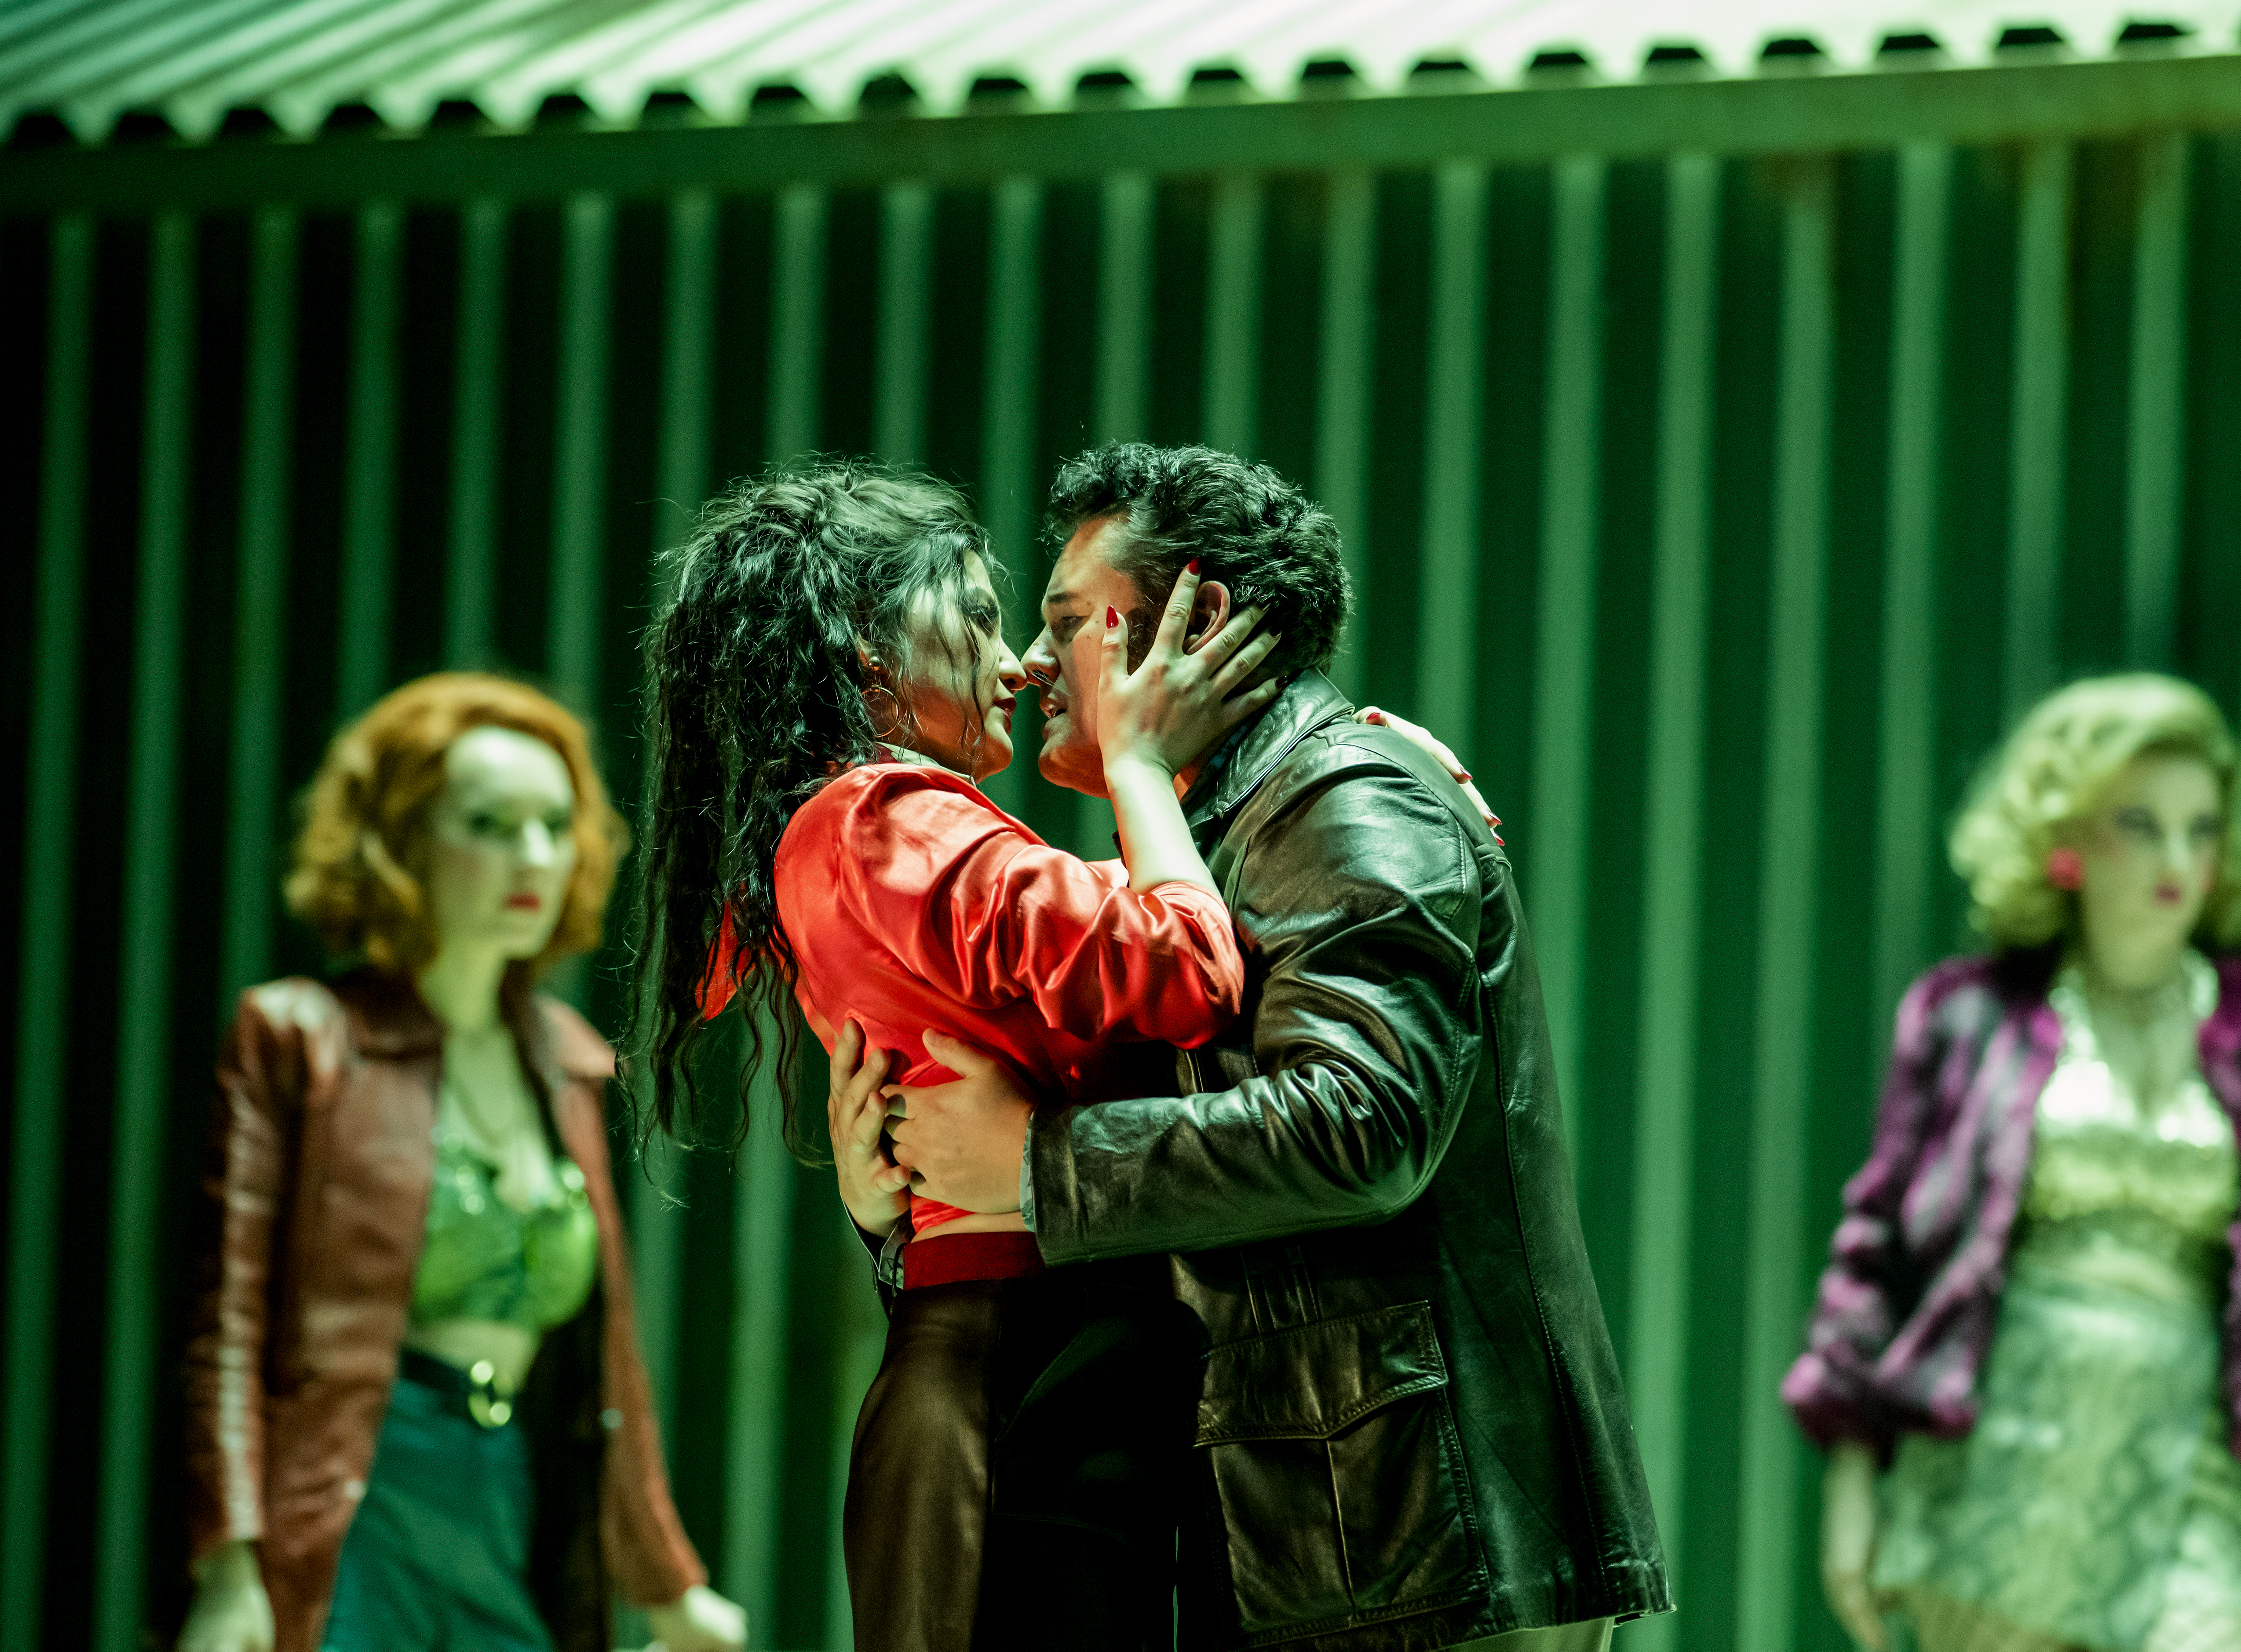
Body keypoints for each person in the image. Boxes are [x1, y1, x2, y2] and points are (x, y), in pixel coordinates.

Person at [864, 442, 1668, 1652]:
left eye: (1069, 622)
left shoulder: (1348, 799)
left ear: (1197, 624)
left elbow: (1361, 1126)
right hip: (1343, 1542)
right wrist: (905, 1189)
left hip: (1427, 1556)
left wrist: (1033, 1162)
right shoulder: (1216, 833)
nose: (1029, 662)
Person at [628, 461, 1284, 1652]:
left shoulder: (873, 833)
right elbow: (1184, 964)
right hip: (1013, 1374)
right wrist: (1140, 767)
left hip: (1021, 1359)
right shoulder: (887, 819)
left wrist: (1325, 770)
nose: (1022, 660)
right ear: (871, 655)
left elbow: (1130, 910)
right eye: (980, 615)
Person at [1783, 673, 2241, 1652]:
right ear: (2064, 835)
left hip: (2194, 1480)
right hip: (1992, 1486)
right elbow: (1876, 1255)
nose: (2178, 859)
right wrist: (1851, 1486)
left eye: (2202, 828)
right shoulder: (1966, 1018)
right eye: (2141, 825)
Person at [176, 674, 742, 1652]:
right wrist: (230, 1568)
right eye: (490, 824)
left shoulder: (567, 1062)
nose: (536, 856)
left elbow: (609, 1363)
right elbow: (225, 1323)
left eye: (555, 825)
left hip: (511, 1490)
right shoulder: (302, 1040)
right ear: (400, 840)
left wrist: (668, 1587)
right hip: (359, 1488)